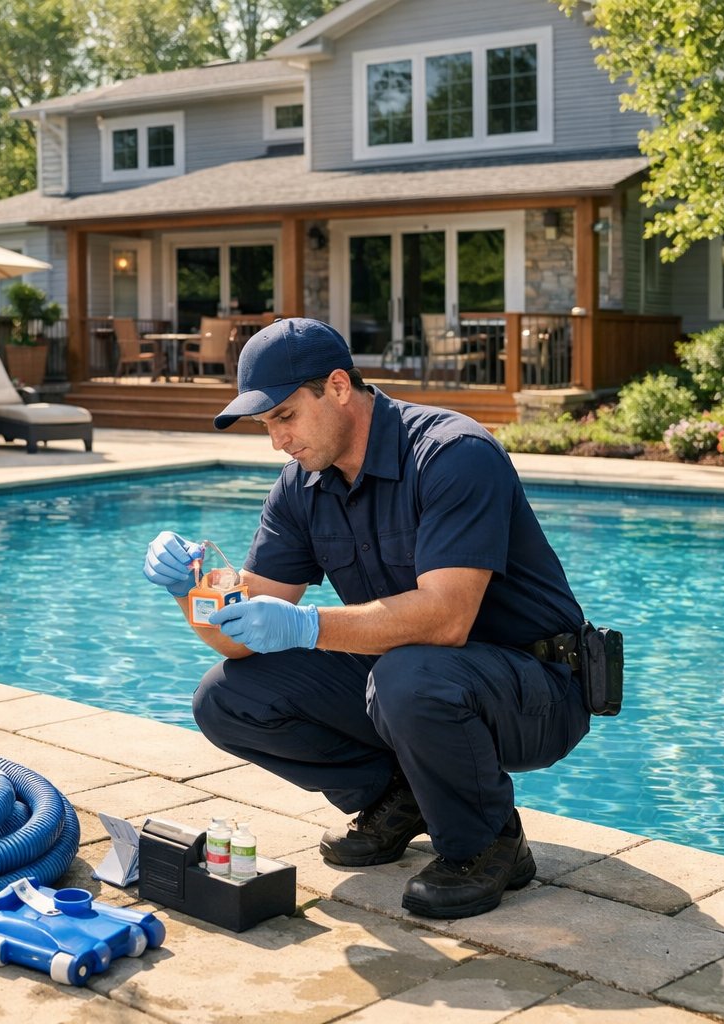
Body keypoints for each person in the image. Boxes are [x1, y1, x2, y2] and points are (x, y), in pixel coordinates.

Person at [142, 317, 590, 919]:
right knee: (227, 697)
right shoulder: (301, 486)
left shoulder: (453, 454)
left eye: (284, 416)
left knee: (409, 676)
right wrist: (188, 589)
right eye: (265, 425)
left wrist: (307, 626)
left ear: (336, 387)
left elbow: (447, 619)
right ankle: (403, 796)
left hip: (536, 690)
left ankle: (487, 842)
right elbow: (241, 641)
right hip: (412, 683)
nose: (277, 441)